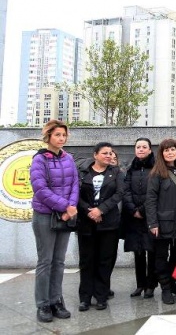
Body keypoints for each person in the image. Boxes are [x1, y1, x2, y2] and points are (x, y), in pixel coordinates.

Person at [30, 120, 79, 323]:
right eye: (57, 135)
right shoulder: (39, 160)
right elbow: (40, 189)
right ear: (48, 136)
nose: (61, 138)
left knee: (59, 262)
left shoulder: (69, 158)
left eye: (64, 135)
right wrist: (64, 207)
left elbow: (75, 183)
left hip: (66, 215)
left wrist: (71, 208)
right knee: (45, 262)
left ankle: (56, 300)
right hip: (45, 216)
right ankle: (43, 304)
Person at [76, 142, 124, 312]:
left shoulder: (116, 172)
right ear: (95, 155)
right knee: (87, 261)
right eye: (105, 153)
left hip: (108, 224)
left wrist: (101, 210)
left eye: (111, 153)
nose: (109, 156)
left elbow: (119, 193)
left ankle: (101, 296)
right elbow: (75, 194)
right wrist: (89, 210)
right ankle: (85, 297)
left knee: (105, 261)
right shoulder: (83, 172)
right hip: (86, 222)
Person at [145, 138, 176, 305]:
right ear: (161, 154)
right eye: (166, 150)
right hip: (162, 223)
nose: (170, 153)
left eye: (173, 150)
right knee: (161, 256)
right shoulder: (156, 174)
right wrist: (153, 223)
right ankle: (165, 288)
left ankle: (172, 282)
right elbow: (150, 199)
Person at [122, 137, 157, 299]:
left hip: (150, 216)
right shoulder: (131, 169)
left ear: (150, 150)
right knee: (138, 251)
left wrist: (142, 210)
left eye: (144, 147)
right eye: (138, 147)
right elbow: (125, 190)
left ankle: (151, 285)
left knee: (152, 251)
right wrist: (132, 209)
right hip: (133, 217)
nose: (141, 149)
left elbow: (155, 192)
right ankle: (140, 285)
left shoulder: (156, 168)